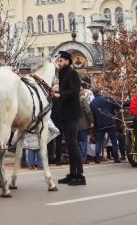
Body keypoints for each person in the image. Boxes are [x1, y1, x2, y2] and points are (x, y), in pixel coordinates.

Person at [52, 51, 85, 186]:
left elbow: (74, 91)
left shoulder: (72, 73)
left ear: (67, 61)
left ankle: (80, 175)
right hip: (65, 113)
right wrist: (56, 94)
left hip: (72, 113)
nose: (59, 63)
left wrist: (61, 94)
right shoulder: (63, 73)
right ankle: (72, 173)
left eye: (60, 61)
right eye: (58, 61)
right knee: (69, 143)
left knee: (73, 143)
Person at [90, 91, 122, 163]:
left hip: (99, 125)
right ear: (100, 92)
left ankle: (97, 158)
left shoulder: (92, 103)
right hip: (110, 122)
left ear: (93, 94)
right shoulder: (107, 99)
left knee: (99, 142)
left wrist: (94, 126)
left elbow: (93, 116)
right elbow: (117, 106)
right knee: (114, 141)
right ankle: (116, 158)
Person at [77, 84, 93, 163]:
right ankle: (83, 158)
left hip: (73, 124)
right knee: (84, 142)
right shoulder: (82, 99)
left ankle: (76, 157)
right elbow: (87, 111)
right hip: (83, 124)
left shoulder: (71, 99)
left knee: (75, 142)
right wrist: (91, 121)